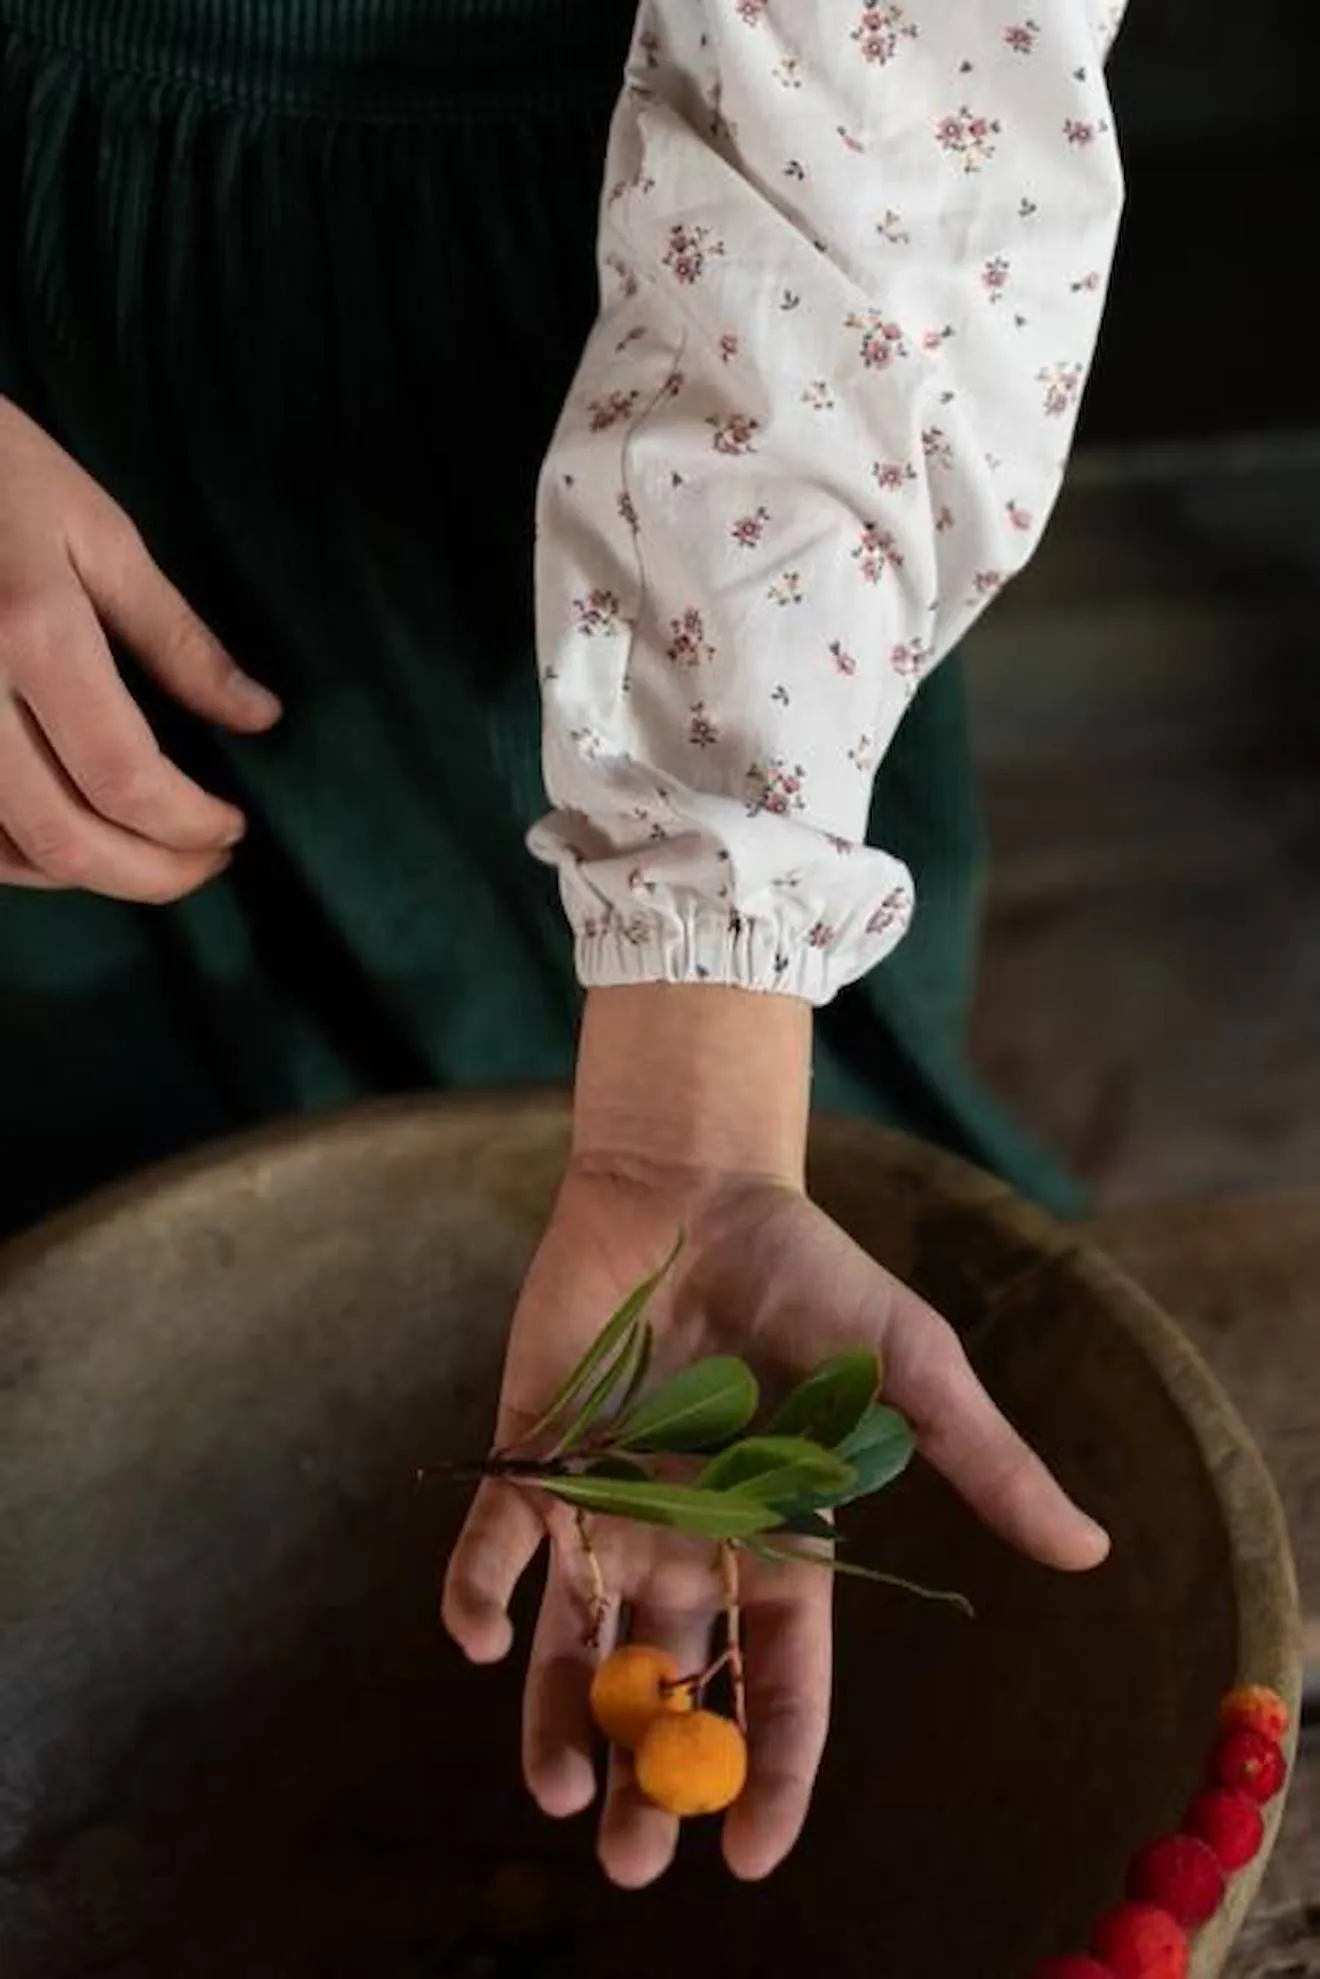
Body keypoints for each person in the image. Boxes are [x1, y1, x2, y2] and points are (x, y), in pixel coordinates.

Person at [0, 0, 1123, 1890]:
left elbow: (884, 104)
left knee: (835, 1148)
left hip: (670, 402)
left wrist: (691, 1113)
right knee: (86, 1158)